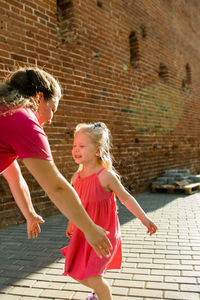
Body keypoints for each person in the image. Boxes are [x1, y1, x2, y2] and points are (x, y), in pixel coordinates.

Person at [0, 67, 112, 257]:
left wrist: (29, 213)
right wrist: (90, 229)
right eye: (53, 109)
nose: (51, 120)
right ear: (39, 97)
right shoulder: (23, 121)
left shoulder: (7, 113)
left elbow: (15, 178)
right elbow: (56, 187)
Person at [61, 122, 157, 300]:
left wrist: (144, 218)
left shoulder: (106, 176)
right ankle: (98, 293)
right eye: (74, 145)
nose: (76, 149)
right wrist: (71, 223)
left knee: (93, 276)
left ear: (97, 151)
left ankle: (102, 294)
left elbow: (126, 197)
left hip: (105, 235)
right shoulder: (76, 178)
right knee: (74, 270)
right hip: (84, 233)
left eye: (82, 146)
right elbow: (75, 205)